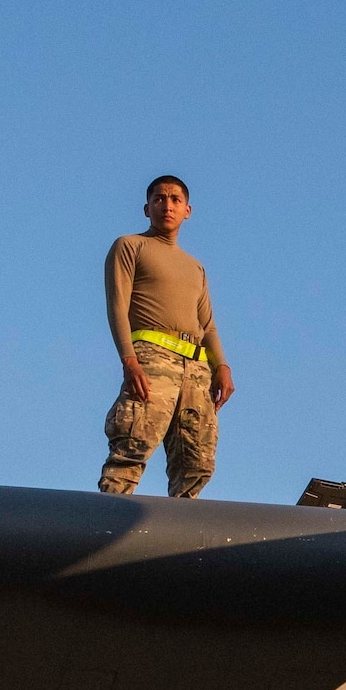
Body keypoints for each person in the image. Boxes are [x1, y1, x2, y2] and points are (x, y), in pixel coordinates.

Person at [98, 175, 235, 497]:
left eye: (175, 199)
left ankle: (182, 539)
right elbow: (117, 306)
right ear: (147, 208)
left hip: (196, 368)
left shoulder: (195, 267)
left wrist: (222, 367)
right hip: (152, 358)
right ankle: (108, 525)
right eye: (159, 199)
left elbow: (208, 325)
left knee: (197, 461)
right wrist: (129, 360)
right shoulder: (131, 246)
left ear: (188, 210)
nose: (167, 205)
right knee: (133, 444)